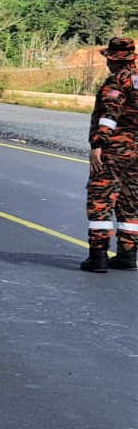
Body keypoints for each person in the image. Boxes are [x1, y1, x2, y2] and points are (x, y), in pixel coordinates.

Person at [80, 36, 138, 272]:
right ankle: (128, 255)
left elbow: (109, 115)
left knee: (101, 200)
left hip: (115, 150)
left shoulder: (117, 82)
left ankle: (98, 256)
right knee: (130, 203)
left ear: (114, 59)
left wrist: (98, 144)